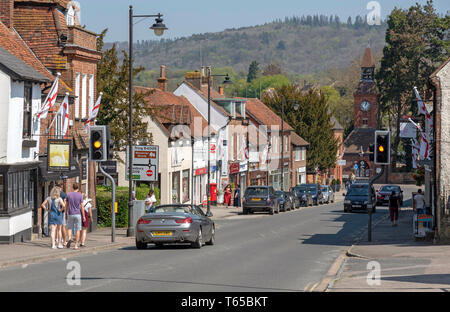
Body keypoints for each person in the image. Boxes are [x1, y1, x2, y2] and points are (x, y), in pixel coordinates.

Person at [66, 183, 85, 250]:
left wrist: (66, 212)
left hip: (71, 213)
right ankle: (76, 245)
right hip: (78, 214)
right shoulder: (80, 195)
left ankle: (69, 238)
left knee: (69, 228)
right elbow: (82, 206)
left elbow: (67, 205)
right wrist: (84, 216)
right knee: (78, 229)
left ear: (72, 187)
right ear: (78, 188)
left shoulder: (69, 194)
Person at [56, 181, 67, 246]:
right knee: (63, 226)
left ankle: (56, 240)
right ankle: (64, 241)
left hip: (55, 212)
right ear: (61, 187)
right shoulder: (63, 194)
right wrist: (62, 209)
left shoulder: (54, 194)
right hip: (61, 212)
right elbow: (64, 204)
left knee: (55, 226)